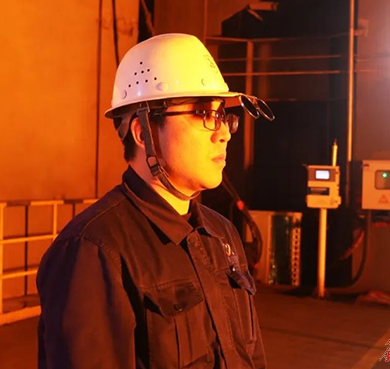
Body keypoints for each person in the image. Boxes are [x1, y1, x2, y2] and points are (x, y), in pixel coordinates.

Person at [36, 33, 274, 368]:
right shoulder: (93, 251)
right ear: (142, 131)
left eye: (223, 116)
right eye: (203, 114)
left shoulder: (221, 234)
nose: (223, 133)